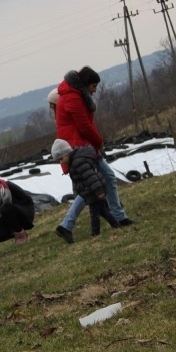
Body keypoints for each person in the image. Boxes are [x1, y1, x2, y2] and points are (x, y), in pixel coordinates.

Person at [53, 66, 133, 245]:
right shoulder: (73, 98)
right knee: (100, 182)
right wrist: (98, 142)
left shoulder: (73, 95)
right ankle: (69, 224)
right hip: (80, 147)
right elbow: (84, 126)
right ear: (86, 84)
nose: (95, 89)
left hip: (81, 145)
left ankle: (69, 225)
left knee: (99, 182)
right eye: (94, 86)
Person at [51, 139, 120, 237]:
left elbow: (91, 177)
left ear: (66, 153)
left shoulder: (78, 162)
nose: (61, 163)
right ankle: (116, 225)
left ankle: (95, 234)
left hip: (92, 190)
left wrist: (99, 191)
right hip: (89, 190)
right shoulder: (74, 161)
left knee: (94, 213)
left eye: (61, 159)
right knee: (103, 211)